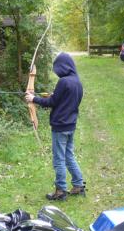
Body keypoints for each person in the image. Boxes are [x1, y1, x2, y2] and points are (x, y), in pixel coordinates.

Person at [25, 52, 86, 201]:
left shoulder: (63, 82)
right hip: (70, 125)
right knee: (69, 156)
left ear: (63, 67)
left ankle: (60, 191)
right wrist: (53, 96)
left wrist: (33, 98)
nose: (57, 72)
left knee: (59, 159)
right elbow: (63, 100)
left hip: (60, 126)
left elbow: (52, 103)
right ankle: (78, 185)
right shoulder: (77, 81)